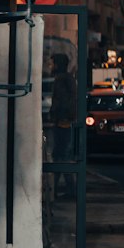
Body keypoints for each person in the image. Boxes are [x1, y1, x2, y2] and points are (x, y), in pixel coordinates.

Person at [47, 52, 77, 198]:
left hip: (62, 122)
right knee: (60, 156)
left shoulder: (61, 80)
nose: (50, 66)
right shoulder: (68, 78)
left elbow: (61, 101)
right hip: (65, 121)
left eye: (52, 63)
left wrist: (55, 115)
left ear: (57, 65)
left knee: (60, 156)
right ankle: (60, 189)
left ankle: (63, 190)